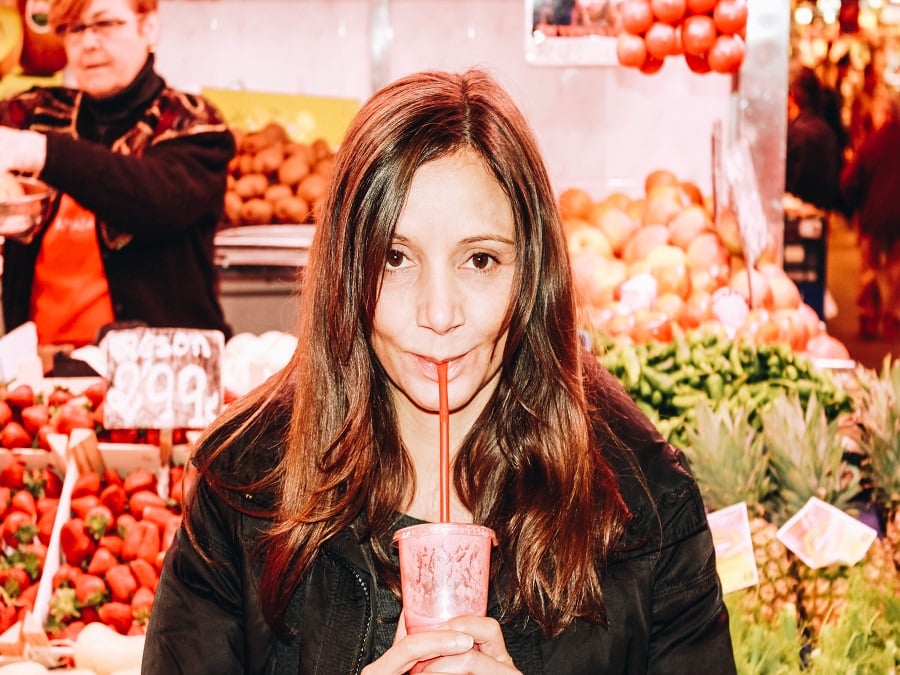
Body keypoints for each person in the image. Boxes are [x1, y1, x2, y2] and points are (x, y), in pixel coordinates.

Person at [143, 69, 736, 674]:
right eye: (396, 259)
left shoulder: (643, 503)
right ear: (346, 271)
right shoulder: (247, 484)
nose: (439, 313)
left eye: (480, 260)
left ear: (531, 273)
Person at [0, 0, 235, 350]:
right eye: (74, 28)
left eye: (104, 23)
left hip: (160, 375)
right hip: (43, 377)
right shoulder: (33, 112)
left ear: (148, 26)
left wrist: (41, 152)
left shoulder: (192, 123)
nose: (88, 42)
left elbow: (154, 199)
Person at [841, 88, 900, 340]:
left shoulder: (872, 143)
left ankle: (869, 317)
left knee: (871, 271)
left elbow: (849, 180)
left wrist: (854, 206)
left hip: (874, 217)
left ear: (885, 115)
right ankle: (894, 318)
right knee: (897, 270)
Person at [785, 64, 842, 213]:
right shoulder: (828, 132)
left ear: (791, 96)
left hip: (796, 220)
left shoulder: (795, 134)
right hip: (820, 220)